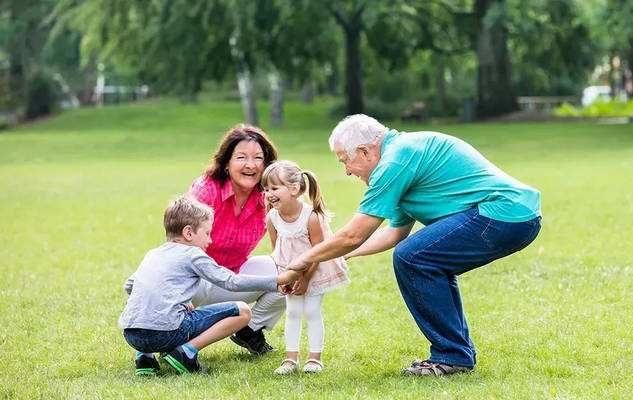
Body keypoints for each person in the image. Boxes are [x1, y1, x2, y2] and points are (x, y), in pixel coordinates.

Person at [284, 114, 542, 377]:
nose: (347, 170)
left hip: (502, 213)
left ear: (364, 151)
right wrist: (338, 258)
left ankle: (452, 355)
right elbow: (395, 232)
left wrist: (302, 261)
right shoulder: (400, 156)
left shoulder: (395, 160)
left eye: (345, 160)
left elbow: (353, 235)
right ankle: (455, 354)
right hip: (514, 215)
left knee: (413, 256)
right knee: (421, 257)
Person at [119, 196, 299, 375]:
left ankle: (145, 358)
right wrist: (278, 280)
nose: (210, 240)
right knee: (243, 311)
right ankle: (186, 352)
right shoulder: (192, 254)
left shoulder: (153, 254)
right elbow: (231, 282)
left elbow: (130, 285)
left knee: (146, 310)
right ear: (188, 233)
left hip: (132, 335)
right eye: (206, 233)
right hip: (166, 333)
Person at [187, 124, 283, 355]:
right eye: (241, 157)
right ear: (227, 163)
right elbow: (180, 246)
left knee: (289, 270)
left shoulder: (268, 197)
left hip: (230, 278)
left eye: (258, 158)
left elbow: (285, 243)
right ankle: (166, 339)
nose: (251, 165)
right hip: (193, 281)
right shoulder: (206, 190)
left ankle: (248, 330)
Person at [261, 160, 349, 375]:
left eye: (274, 188)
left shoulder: (311, 217)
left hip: (314, 272)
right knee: (292, 311)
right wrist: (283, 277)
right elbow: (277, 250)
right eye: (265, 189)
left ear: (294, 189)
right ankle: (290, 359)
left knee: (310, 311)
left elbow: (318, 253)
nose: (268, 193)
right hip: (289, 272)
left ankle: (314, 359)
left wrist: (306, 278)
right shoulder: (272, 217)